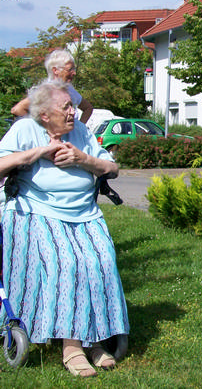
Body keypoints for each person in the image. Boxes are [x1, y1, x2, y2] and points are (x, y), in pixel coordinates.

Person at [0, 80, 129, 376]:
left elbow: (113, 168)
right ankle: (71, 348)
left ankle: (95, 341)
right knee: (67, 263)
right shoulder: (25, 129)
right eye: (66, 107)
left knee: (101, 262)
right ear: (44, 114)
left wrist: (82, 159)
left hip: (85, 213)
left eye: (72, 105)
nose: (74, 111)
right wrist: (39, 152)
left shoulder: (81, 132)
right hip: (37, 213)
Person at [11, 49, 93, 124]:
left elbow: (88, 108)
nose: (74, 73)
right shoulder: (46, 91)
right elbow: (17, 109)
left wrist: (79, 128)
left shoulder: (70, 90)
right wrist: (38, 127)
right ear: (55, 70)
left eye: (74, 69)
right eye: (70, 69)